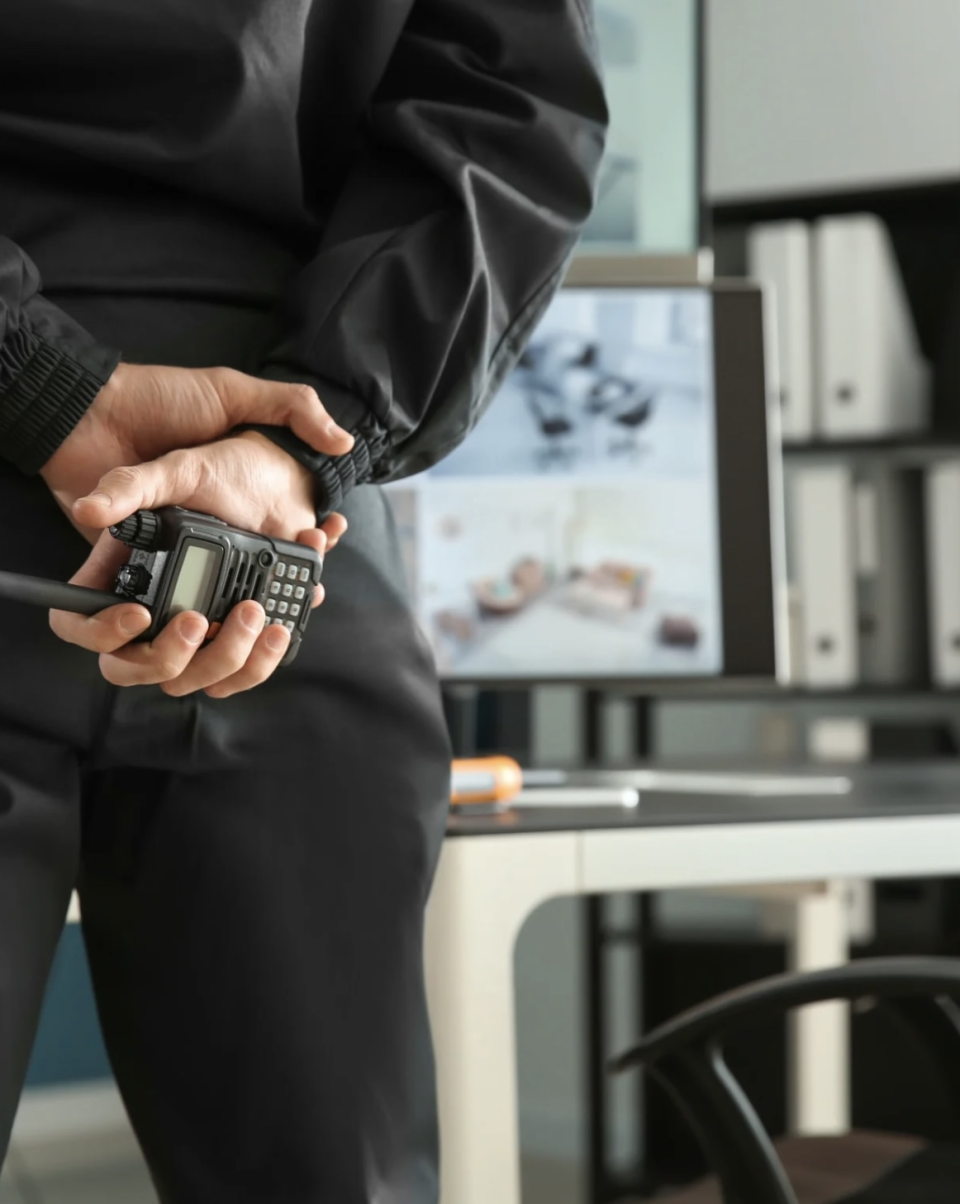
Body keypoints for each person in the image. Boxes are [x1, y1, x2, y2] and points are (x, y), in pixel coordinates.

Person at [0, 1, 607, 1199]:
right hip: (278, 507)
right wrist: (312, 429)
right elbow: (513, 101)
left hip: (272, 492)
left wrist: (48, 384)